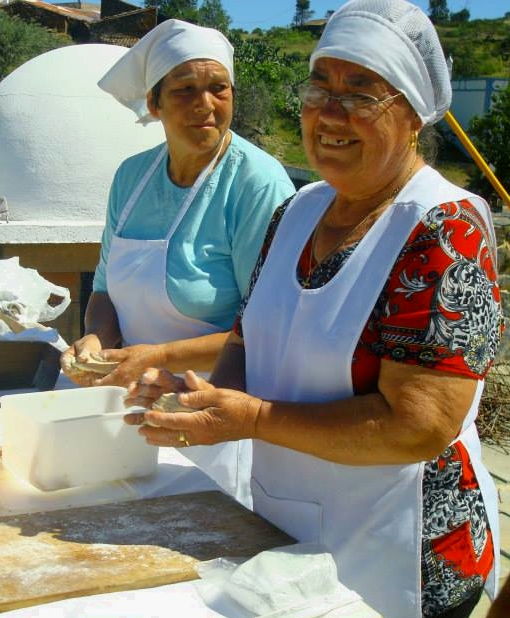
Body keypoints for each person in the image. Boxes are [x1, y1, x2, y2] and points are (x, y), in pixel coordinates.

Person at [124, 2, 502, 617]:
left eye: (361, 92)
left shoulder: (442, 228)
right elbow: (250, 339)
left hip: (401, 548)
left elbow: (420, 425)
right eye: (319, 85)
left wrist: (250, 418)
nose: (329, 112)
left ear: (411, 114)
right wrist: (202, 399)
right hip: (286, 531)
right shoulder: (298, 211)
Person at [59, 19, 295, 507]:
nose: (205, 106)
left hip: (213, 412)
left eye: (218, 89)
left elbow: (268, 328)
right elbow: (104, 286)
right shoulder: (132, 178)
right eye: (185, 91)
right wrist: (98, 340)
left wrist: (157, 358)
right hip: (134, 402)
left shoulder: (257, 185)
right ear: (154, 103)